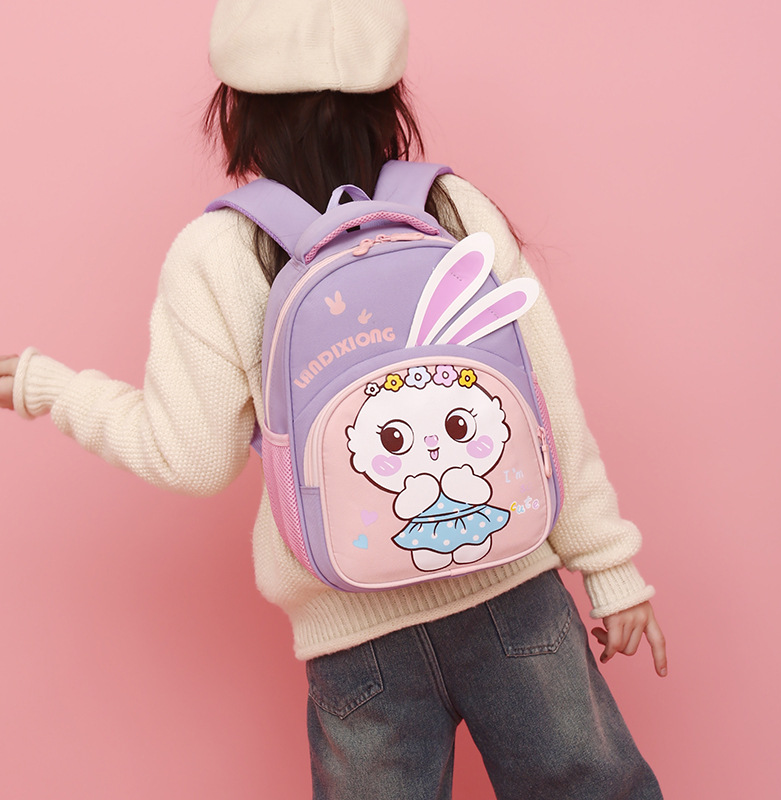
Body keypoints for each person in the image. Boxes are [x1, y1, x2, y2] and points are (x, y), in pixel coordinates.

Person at [0, 1, 667, 797]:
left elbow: (192, 460)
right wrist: (610, 567)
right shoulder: (452, 209)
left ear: (235, 107)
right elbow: (546, 402)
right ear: (391, 95)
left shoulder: (218, 253)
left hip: (353, 636)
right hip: (512, 591)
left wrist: (51, 389)